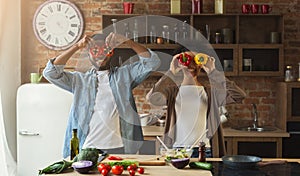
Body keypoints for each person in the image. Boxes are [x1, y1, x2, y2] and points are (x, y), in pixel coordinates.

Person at [43, 32, 160, 159]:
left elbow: (152, 62)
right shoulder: (79, 80)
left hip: (118, 147)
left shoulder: (124, 76)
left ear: (111, 53)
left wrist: (127, 42)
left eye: (104, 50)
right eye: (95, 50)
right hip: (85, 147)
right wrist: (77, 46)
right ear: (89, 54)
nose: (100, 55)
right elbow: (50, 73)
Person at [146, 45, 246, 158]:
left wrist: (213, 72)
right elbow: (151, 98)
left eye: (195, 60)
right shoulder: (172, 93)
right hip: (177, 150)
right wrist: (170, 72)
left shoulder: (211, 93)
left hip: (203, 151)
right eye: (188, 60)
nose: (191, 65)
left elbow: (239, 96)